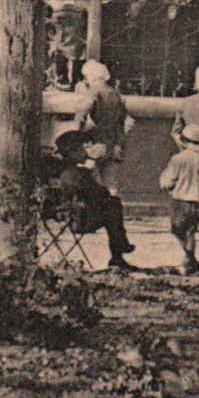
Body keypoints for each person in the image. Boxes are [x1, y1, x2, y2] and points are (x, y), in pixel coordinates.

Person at [51, 129, 136, 271]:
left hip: (73, 216)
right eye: (84, 147)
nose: (87, 150)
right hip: (81, 219)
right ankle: (118, 255)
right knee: (113, 206)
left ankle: (120, 251)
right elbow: (100, 193)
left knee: (112, 206)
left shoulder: (66, 171)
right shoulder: (78, 174)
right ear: (75, 150)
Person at [74, 59, 131, 196]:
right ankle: (113, 208)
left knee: (87, 177)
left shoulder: (94, 92)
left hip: (94, 142)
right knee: (110, 182)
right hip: (111, 142)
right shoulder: (116, 95)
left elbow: (83, 112)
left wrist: (79, 129)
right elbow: (123, 121)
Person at [159, 121, 199, 275]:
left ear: (184, 140)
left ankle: (189, 259)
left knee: (177, 229)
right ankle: (191, 260)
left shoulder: (178, 159)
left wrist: (166, 186)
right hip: (198, 200)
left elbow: (168, 181)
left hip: (180, 200)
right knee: (190, 231)